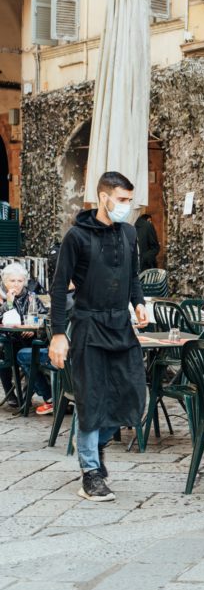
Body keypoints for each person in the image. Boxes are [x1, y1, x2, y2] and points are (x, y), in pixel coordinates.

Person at [49, 171, 149, 502]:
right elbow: (59, 287)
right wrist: (58, 334)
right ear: (103, 197)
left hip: (121, 325)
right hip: (88, 325)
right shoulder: (76, 236)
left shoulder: (130, 233)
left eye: (129, 200)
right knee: (91, 398)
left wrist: (139, 303)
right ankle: (90, 471)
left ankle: (94, 444)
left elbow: (133, 276)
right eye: (122, 199)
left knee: (132, 394)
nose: (127, 206)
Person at [0, 263, 49, 409]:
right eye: (12, 280)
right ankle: (10, 394)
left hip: (29, 340)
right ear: (5, 282)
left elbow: (43, 317)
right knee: (4, 352)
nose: (16, 284)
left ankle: (27, 393)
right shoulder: (2, 298)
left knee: (30, 352)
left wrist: (34, 330)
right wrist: (9, 303)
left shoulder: (32, 297)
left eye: (20, 281)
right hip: (6, 341)